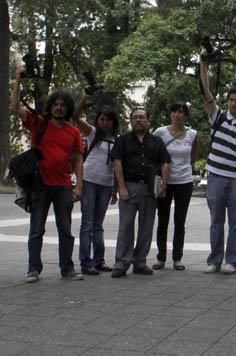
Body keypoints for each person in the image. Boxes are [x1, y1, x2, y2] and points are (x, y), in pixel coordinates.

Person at [11, 68, 84, 282]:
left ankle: (67, 268)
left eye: (63, 105)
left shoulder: (73, 132)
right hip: (39, 186)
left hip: (63, 186)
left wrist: (79, 186)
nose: (59, 108)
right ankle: (33, 269)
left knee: (66, 230)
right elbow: (15, 107)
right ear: (50, 107)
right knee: (36, 229)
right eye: (55, 104)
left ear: (67, 108)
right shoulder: (38, 123)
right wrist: (17, 80)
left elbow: (78, 160)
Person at [199, 51, 236, 274]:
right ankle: (214, 260)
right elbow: (205, 91)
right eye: (230, 100)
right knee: (216, 221)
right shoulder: (218, 116)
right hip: (215, 175)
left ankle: (231, 260)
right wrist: (203, 64)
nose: (233, 103)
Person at [110, 108, 171, 278]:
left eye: (142, 117)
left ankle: (140, 262)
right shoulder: (122, 141)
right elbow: (117, 163)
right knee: (125, 226)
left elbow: (165, 163)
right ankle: (121, 263)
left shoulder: (157, 141)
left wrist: (164, 185)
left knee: (146, 226)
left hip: (149, 189)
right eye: (135, 117)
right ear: (131, 121)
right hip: (129, 186)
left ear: (148, 120)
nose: (138, 120)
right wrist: (121, 187)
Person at [73, 94, 118, 275]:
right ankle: (86, 262)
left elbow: (116, 168)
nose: (103, 123)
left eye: (107, 120)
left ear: (113, 122)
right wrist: (84, 99)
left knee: (98, 224)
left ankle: (99, 260)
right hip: (89, 181)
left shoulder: (117, 141)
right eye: (101, 119)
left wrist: (114, 190)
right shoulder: (92, 133)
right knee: (87, 223)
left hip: (106, 185)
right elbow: (75, 117)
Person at [152, 101, 198, 271]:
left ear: (186, 116)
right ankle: (161, 258)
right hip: (164, 183)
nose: (178, 115)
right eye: (174, 111)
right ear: (170, 114)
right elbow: (153, 153)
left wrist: (189, 167)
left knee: (180, 222)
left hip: (184, 182)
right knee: (162, 221)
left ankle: (177, 258)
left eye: (181, 112)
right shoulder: (160, 132)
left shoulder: (192, 134)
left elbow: (193, 155)